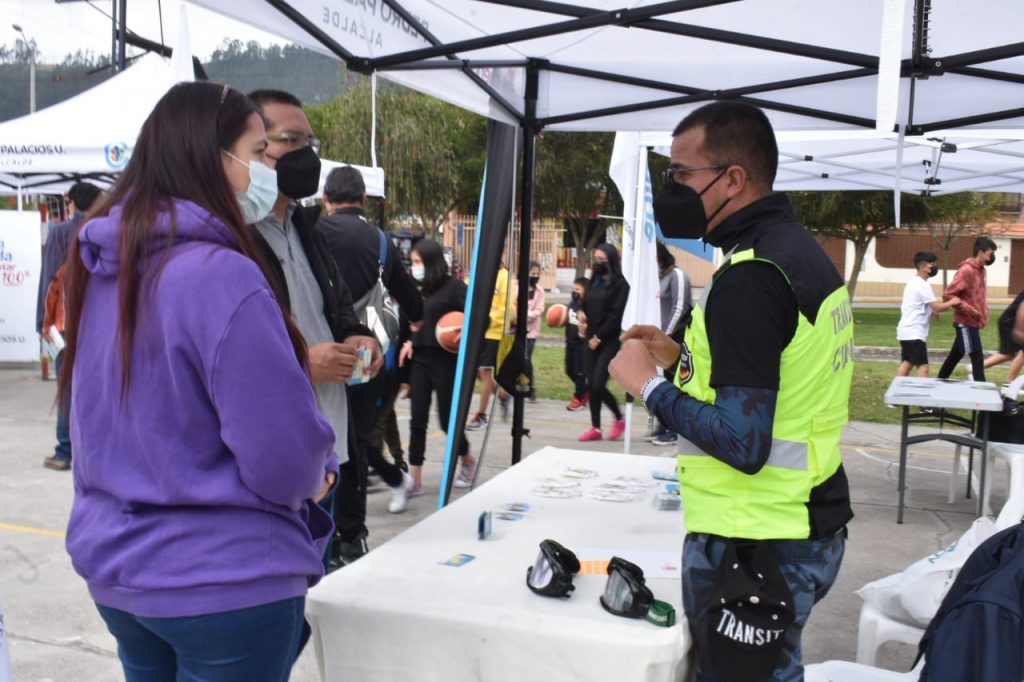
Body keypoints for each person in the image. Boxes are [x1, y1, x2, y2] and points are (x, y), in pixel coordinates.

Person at [59, 82, 338, 680]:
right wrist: (320, 470)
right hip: (224, 582)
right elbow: (283, 459)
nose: (271, 170)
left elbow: (96, 427)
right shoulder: (221, 276)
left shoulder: (106, 266)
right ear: (213, 158)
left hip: (120, 572)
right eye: (260, 153)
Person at [609, 101, 853, 681]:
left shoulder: (750, 278)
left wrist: (649, 386)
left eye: (681, 175)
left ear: (733, 179)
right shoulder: (792, 252)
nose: (671, 189)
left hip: (757, 537)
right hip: (803, 522)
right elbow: (784, 370)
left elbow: (744, 441)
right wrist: (682, 358)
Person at [246, 89, 382, 568]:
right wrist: (303, 366)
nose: (307, 153)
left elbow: (338, 311)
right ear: (253, 147)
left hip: (328, 445)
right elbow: (229, 356)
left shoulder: (308, 227)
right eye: (290, 139)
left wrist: (359, 336)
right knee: (284, 599)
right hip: (276, 456)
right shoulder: (232, 238)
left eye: (311, 140)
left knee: (315, 581)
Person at [318, 165, 422, 514]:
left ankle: (322, 526)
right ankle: (353, 532)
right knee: (358, 442)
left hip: (320, 352)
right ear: (363, 199)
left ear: (325, 199)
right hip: (366, 353)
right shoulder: (380, 239)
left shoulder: (312, 233)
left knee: (320, 438)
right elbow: (410, 298)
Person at [398, 238, 477, 493]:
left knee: (446, 421)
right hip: (420, 359)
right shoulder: (415, 288)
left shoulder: (455, 288)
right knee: (417, 420)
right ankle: (415, 479)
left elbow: (478, 316)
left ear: (431, 262)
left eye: (418, 261)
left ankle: (467, 459)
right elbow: (411, 322)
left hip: (446, 361)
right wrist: (410, 341)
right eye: (412, 261)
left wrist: (466, 331)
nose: (414, 266)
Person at [35, 181, 101, 338]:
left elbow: (50, 280)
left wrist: (43, 323)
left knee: (66, 361)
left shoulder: (60, 233)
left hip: (67, 319)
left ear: (72, 204)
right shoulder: (107, 232)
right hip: (101, 320)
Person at [579, 243, 629, 442]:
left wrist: (598, 338)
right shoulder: (595, 280)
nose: (598, 263)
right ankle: (595, 428)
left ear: (612, 261)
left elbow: (616, 316)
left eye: (602, 260)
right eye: (596, 259)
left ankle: (619, 418)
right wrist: (581, 315)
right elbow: (584, 303)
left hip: (608, 340)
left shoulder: (621, 284)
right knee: (591, 385)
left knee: (599, 384)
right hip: (590, 337)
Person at [649, 242, 693, 446]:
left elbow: (679, 308)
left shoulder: (678, 275)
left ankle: (675, 430)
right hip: (662, 338)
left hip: (676, 337)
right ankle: (664, 424)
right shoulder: (660, 278)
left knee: (675, 383)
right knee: (663, 381)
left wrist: (664, 336)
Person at [937, 236, 997, 381]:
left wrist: (984, 311)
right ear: (981, 252)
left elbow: (977, 295)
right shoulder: (966, 270)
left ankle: (939, 383)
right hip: (965, 322)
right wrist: (969, 310)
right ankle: (981, 395)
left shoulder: (982, 271)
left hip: (974, 322)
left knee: (955, 356)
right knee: (977, 356)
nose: (992, 256)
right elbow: (948, 295)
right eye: (991, 253)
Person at [896, 251, 960, 378]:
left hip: (906, 332)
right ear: (922, 267)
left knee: (907, 364)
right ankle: (920, 396)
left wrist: (933, 311)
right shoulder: (922, 285)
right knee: (923, 368)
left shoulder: (913, 282)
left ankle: (895, 394)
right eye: (932, 265)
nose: (935, 267)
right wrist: (953, 301)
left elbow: (919, 305)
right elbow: (937, 305)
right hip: (914, 333)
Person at [467, 263, 511, 429]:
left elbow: (507, 308)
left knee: (485, 371)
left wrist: (488, 319)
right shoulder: (476, 275)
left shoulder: (504, 276)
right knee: (476, 371)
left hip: (492, 330)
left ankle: (482, 415)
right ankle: (502, 395)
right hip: (476, 331)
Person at [41, 264, 72, 470]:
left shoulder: (65, 271)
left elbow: (51, 299)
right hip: (93, 334)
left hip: (65, 334)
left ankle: (64, 452)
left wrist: (46, 327)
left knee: (66, 394)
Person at [982, 289, 1024, 381]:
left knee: (1009, 354)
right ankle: (1008, 384)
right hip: (1011, 322)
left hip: (1012, 322)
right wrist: (1019, 331)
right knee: (1010, 354)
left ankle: (976, 368)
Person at [565, 276, 589, 411]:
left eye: (578, 289)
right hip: (570, 342)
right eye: (573, 289)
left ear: (586, 291)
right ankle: (585, 390)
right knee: (569, 370)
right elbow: (566, 319)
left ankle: (578, 398)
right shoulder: (572, 303)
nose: (574, 291)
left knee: (580, 372)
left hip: (582, 344)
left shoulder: (588, 306)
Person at [525, 260, 545, 402]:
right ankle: (517, 386)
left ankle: (530, 388)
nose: (535, 276)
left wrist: (525, 315)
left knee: (526, 359)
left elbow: (539, 310)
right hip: (514, 331)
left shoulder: (540, 291)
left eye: (537, 274)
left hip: (531, 332)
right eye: (533, 273)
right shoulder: (516, 287)